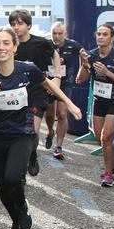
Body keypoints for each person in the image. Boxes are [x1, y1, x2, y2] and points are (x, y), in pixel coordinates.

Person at [0, 27, 81, 229]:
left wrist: (69, 103)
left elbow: (48, 84)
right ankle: (16, 221)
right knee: (3, 188)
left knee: (13, 177)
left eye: (6, 43)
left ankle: (21, 206)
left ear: (15, 47)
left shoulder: (27, 70)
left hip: (21, 134)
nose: (1, 47)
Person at [76, 23, 114, 187]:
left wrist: (107, 72)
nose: (101, 37)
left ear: (112, 38)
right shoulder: (91, 55)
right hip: (99, 100)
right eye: (99, 34)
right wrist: (84, 64)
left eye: (105, 34)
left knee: (106, 137)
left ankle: (108, 175)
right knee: (101, 138)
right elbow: (81, 79)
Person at [9, 9, 61, 177]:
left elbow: (55, 55)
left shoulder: (41, 43)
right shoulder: (10, 44)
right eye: (13, 24)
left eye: (20, 23)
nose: (16, 27)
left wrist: (57, 76)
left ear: (29, 25)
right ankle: (20, 172)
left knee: (32, 131)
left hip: (37, 93)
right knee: (18, 132)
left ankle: (32, 154)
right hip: (16, 94)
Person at [45, 21, 83, 159]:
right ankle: (50, 132)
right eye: (54, 33)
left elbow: (84, 56)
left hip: (65, 82)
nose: (56, 36)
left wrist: (81, 70)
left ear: (65, 34)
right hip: (49, 82)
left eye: (59, 33)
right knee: (50, 114)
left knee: (62, 113)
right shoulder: (46, 44)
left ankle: (59, 146)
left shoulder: (73, 45)